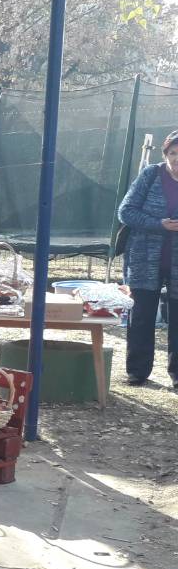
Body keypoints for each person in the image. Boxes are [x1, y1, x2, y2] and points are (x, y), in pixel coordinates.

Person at [117, 130, 178, 387]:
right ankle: (137, 372)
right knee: (141, 315)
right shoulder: (150, 175)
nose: (177, 159)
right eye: (173, 153)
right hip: (144, 258)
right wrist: (159, 224)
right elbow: (125, 212)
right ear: (165, 154)